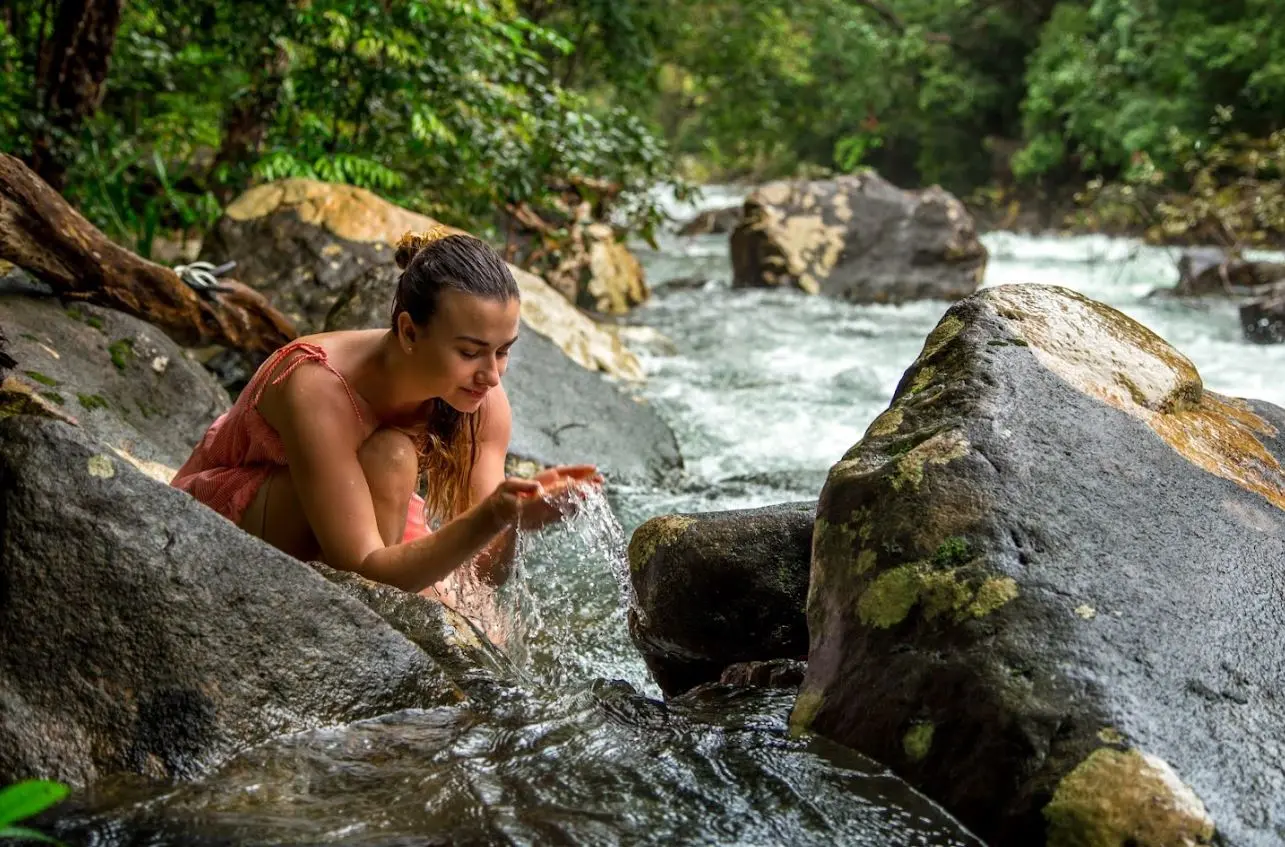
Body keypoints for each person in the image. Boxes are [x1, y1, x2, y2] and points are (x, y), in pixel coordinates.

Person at [171, 226, 601, 616]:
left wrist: (514, 518)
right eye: (469, 352)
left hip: (362, 515)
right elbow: (364, 570)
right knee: (392, 456)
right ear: (410, 332)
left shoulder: (481, 401)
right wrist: (492, 516)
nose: (492, 374)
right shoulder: (317, 386)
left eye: (503, 351)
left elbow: (481, 574)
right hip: (217, 523)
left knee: (482, 619)